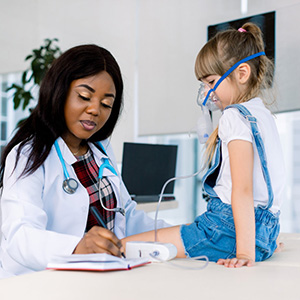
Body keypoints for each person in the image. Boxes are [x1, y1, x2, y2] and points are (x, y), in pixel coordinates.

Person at [123, 23, 286, 268]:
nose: (207, 93)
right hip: (265, 232)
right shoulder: (263, 115)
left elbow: (242, 190)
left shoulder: (233, 116)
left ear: (242, 74)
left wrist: (244, 254)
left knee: (122, 246)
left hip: (226, 231)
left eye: (211, 82)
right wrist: (259, 244)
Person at [0, 44, 169, 276]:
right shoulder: (29, 154)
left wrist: (184, 235)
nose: (94, 110)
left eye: (106, 103)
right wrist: (77, 247)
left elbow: (126, 215)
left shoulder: (100, 150)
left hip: (100, 276)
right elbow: (21, 235)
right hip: (41, 283)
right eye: (84, 96)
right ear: (59, 91)